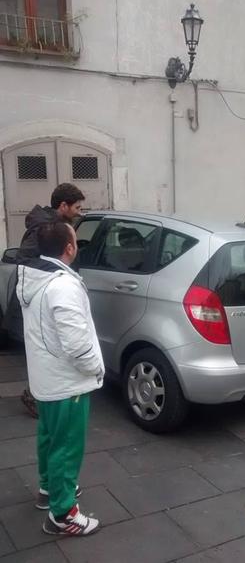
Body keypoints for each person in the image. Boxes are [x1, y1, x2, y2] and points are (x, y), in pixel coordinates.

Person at [17, 221, 104, 535]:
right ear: (70, 247)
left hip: (47, 379)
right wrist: (96, 367)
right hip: (67, 383)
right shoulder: (62, 285)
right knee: (67, 447)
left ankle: (48, 491)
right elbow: (77, 343)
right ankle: (63, 514)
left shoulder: (36, 278)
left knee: (50, 439)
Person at [4, 183, 85, 418]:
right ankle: (34, 395)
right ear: (63, 206)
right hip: (42, 299)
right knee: (45, 351)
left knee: (54, 349)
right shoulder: (42, 228)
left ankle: (44, 393)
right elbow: (24, 259)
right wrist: (57, 274)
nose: (81, 211)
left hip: (53, 296)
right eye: (77, 207)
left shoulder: (61, 225)